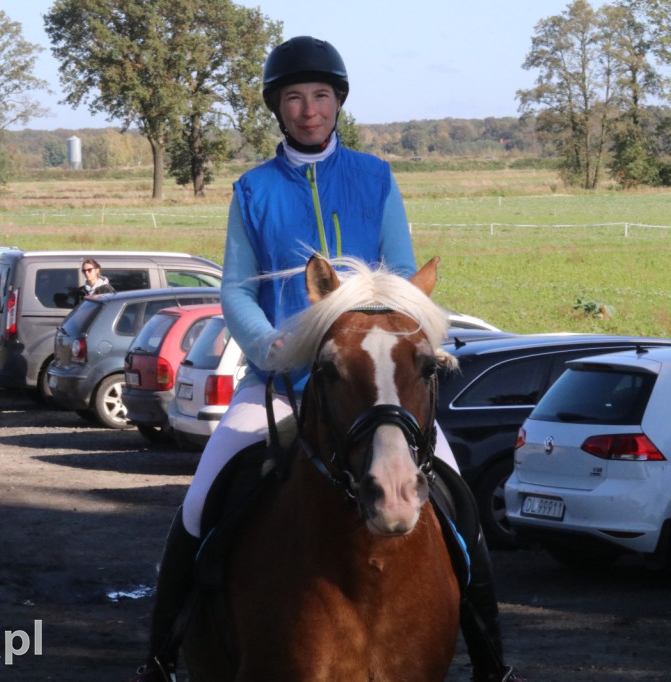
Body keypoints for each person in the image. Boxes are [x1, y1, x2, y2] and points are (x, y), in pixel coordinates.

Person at [134, 36, 517, 682]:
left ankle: (492, 661)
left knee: (455, 497)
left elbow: (399, 275)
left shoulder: (374, 177)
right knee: (201, 502)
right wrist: (269, 345)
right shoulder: (253, 191)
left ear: (336, 102)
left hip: (376, 383)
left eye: (319, 96)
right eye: (294, 98)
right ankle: (160, 656)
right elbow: (234, 287)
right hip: (280, 383)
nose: (308, 110)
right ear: (277, 109)